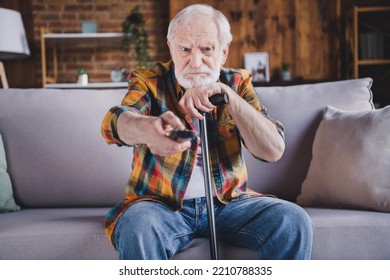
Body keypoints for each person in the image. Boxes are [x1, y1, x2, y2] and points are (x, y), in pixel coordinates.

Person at [101, 4, 313, 260]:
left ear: (223, 53)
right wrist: (148, 130)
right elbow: (115, 122)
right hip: (162, 207)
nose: (195, 61)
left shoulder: (237, 83)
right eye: (185, 49)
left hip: (230, 204)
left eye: (206, 49)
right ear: (171, 49)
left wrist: (228, 96)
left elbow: (273, 150)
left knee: (293, 220)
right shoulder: (149, 81)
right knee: (138, 224)